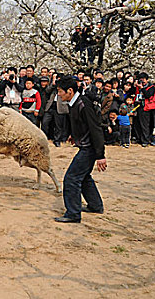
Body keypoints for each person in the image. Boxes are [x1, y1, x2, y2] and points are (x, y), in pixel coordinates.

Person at [55, 75, 106, 223]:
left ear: (69, 91)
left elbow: (95, 129)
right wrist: (74, 135)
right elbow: (81, 124)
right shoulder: (75, 103)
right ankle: (96, 206)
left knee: (71, 179)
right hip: (85, 146)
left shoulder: (83, 104)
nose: (58, 94)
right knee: (83, 177)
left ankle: (73, 213)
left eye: (60, 91)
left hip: (89, 148)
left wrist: (100, 155)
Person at [134, 73, 155, 147]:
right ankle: (139, 138)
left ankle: (145, 140)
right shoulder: (138, 86)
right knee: (137, 124)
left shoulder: (151, 87)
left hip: (147, 108)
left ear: (147, 80)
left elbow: (148, 95)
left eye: (143, 80)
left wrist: (142, 88)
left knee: (145, 125)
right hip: (138, 107)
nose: (142, 82)